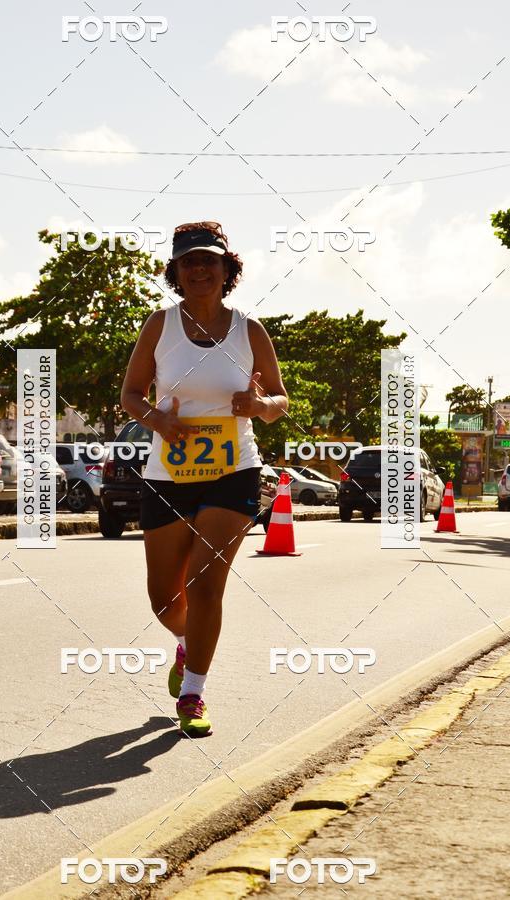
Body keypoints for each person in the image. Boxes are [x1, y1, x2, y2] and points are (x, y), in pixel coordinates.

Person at [120, 221, 288, 737]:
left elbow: (280, 401)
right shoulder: (160, 326)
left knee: (205, 584)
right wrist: (157, 422)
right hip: (168, 473)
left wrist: (259, 405)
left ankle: (193, 694)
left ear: (226, 269)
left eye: (209, 260)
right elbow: (130, 394)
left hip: (233, 470)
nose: (199, 268)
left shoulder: (249, 330)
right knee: (165, 600)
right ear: (176, 271)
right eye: (189, 261)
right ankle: (189, 643)